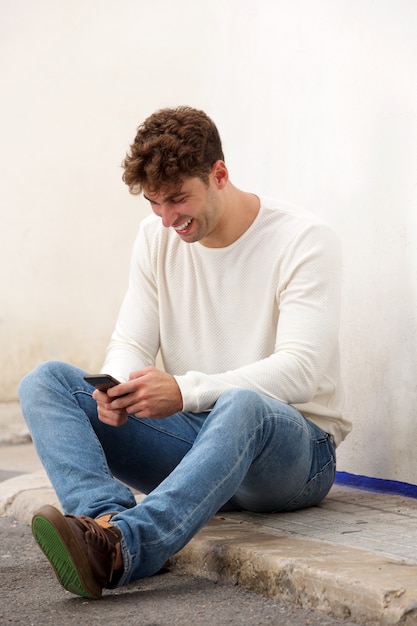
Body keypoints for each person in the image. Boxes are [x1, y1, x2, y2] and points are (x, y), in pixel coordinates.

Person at [18, 106, 351, 600]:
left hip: (291, 455)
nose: (168, 219)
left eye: (177, 199)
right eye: (154, 203)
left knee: (243, 406)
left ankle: (128, 548)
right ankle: (105, 523)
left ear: (220, 173)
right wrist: (116, 387)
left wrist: (185, 390)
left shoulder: (303, 240)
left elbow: (302, 371)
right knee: (45, 382)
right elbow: (130, 341)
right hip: (197, 446)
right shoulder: (155, 237)